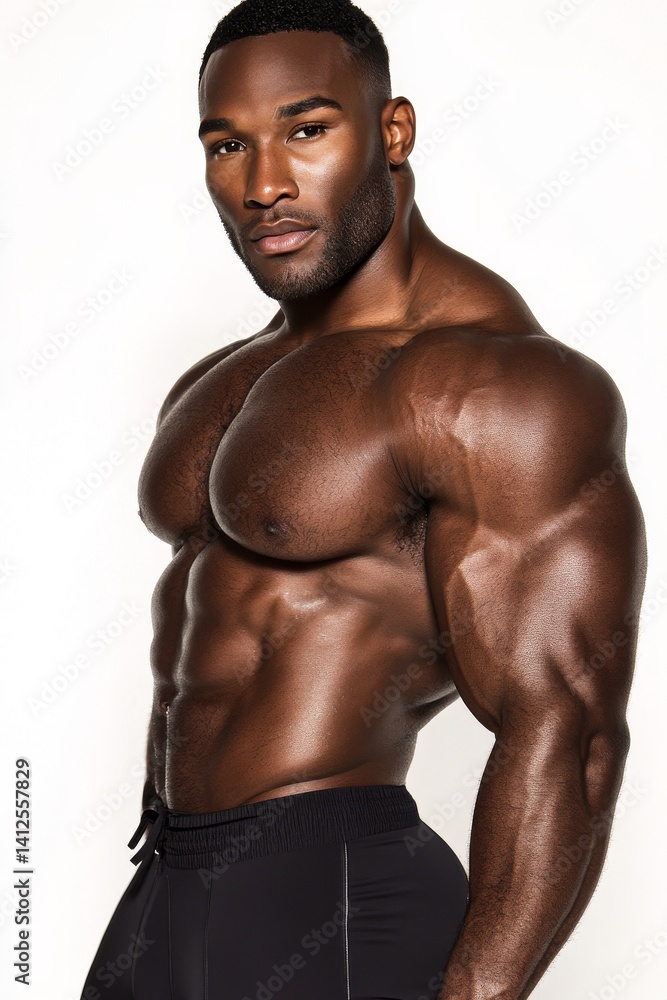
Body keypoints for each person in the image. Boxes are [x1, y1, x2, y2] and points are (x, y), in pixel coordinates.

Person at [80, 2, 647, 998]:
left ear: (391, 130)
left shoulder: (492, 383)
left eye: (306, 129)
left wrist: (477, 991)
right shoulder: (218, 379)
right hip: (161, 891)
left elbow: (566, 729)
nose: (263, 184)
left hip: (332, 900)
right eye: (227, 145)